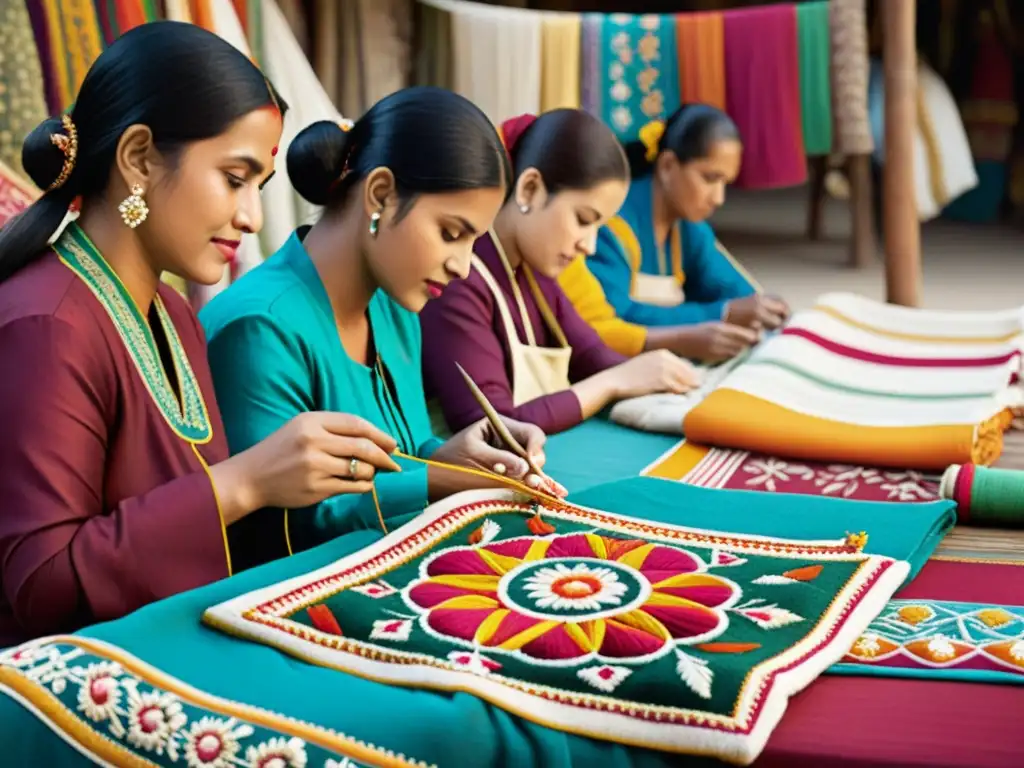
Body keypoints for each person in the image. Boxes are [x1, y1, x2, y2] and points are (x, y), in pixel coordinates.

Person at [0, 22, 405, 646]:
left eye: (259, 186)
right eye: (234, 177)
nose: (252, 217)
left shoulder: (173, 311)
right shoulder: (47, 325)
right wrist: (245, 482)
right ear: (137, 158)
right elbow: (42, 589)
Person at [201, 87, 559, 561]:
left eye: (473, 240)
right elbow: (277, 528)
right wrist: (439, 481)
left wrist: (448, 455)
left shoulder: (395, 308)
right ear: (381, 194)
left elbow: (398, 453)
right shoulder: (259, 329)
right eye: (451, 234)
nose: (464, 266)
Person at [420, 110, 699, 437]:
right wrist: (614, 382)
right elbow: (493, 426)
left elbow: (589, 354)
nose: (589, 246)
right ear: (529, 189)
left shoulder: (534, 277)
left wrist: (657, 371)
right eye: (583, 219)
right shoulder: (459, 281)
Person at [557, 104, 790, 363]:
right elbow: (615, 316)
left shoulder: (689, 230)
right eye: (710, 178)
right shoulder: (610, 226)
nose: (719, 198)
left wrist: (760, 309)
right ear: (667, 166)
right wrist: (722, 313)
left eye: (726, 183)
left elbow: (735, 291)